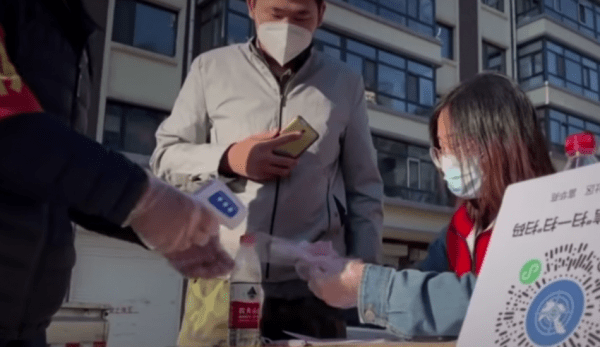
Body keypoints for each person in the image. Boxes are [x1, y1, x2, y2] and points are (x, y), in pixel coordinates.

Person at [0, 1, 234, 345]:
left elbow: (55, 178)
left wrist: (170, 226)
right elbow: (11, 130)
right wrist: (142, 198)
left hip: (24, 328)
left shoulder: (65, 29)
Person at [150, 0, 384, 341]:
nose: (287, 26)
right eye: (275, 13)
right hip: (221, 279)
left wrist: (361, 278)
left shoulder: (345, 83)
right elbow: (165, 157)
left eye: (301, 15)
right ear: (251, 6)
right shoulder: (210, 70)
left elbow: (364, 188)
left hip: (312, 288)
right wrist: (229, 158)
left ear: (321, 14)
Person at [296, 72, 556, 337]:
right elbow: (418, 304)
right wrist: (336, 284)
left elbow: (511, 297)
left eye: (456, 145)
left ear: (502, 140)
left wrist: (368, 287)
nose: (447, 163)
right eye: (441, 151)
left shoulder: (554, 218)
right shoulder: (457, 233)